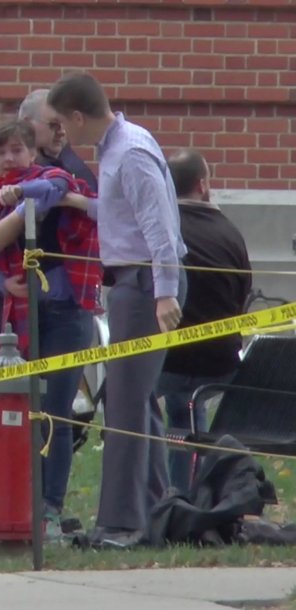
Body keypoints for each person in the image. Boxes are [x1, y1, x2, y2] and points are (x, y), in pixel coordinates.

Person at [48, 71, 187, 546]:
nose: (64, 137)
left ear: (78, 116)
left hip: (145, 283)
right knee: (139, 401)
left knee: (124, 405)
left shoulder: (129, 153)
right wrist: (73, 201)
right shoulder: (117, 148)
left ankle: (122, 524)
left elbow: (159, 225)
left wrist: (164, 291)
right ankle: (151, 510)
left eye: (63, 126)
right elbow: (121, 212)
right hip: (132, 282)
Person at [0, 120, 100, 538]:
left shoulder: (53, 180)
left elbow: (57, 188)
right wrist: (1, 282)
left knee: (56, 414)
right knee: (15, 413)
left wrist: (23, 194)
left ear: (32, 152)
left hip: (67, 311)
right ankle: (12, 499)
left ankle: (49, 506)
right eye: (2, 152)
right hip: (14, 317)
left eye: (17, 150)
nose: (9, 159)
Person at [157, 149, 251, 492]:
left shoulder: (162, 230)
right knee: (188, 407)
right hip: (220, 360)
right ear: (203, 185)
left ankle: (169, 492)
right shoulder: (230, 232)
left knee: (158, 401)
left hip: (169, 358)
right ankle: (192, 490)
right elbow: (243, 295)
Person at [17, 89, 97, 191]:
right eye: (54, 125)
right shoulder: (4, 162)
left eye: (63, 123)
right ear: (27, 124)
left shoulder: (76, 172)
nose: (62, 132)